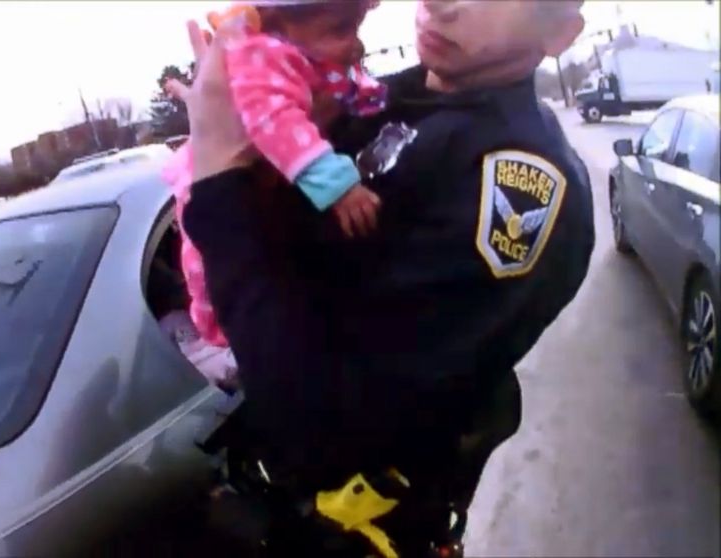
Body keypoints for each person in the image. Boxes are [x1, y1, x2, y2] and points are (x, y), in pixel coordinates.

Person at [169, 0, 595, 556]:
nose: (443, 3)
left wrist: (220, 170)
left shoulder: (517, 182)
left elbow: (322, 423)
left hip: (357, 529)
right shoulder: (386, 97)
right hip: (266, 503)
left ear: (559, 34)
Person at [163, 0, 385, 349]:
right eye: (341, 30)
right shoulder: (263, 56)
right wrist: (338, 187)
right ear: (278, 25)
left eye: (355, 28)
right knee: (204, 263)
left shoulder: (294, 50)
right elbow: (276, 121)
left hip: (249, 177)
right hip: (207, 183)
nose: (355, 44)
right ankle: (214, 325)